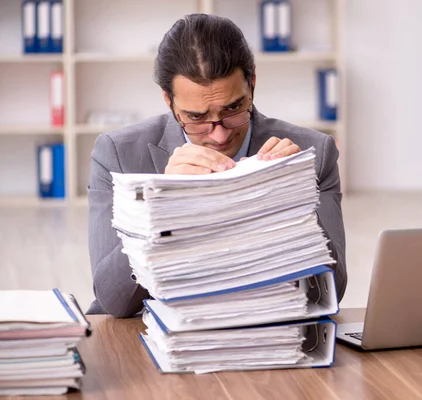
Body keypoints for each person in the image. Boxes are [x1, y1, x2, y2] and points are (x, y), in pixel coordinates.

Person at [86, 14, 347, 317]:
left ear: (252, 82)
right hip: (148, 332)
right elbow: (112, 301)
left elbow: (333, 290)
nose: (219, 134)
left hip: (263, 329)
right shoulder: (117, 154)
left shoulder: (315, 152)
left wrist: (292, 198)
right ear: (168, 100)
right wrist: (161, 209)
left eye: (234, 108)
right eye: (196, 117)